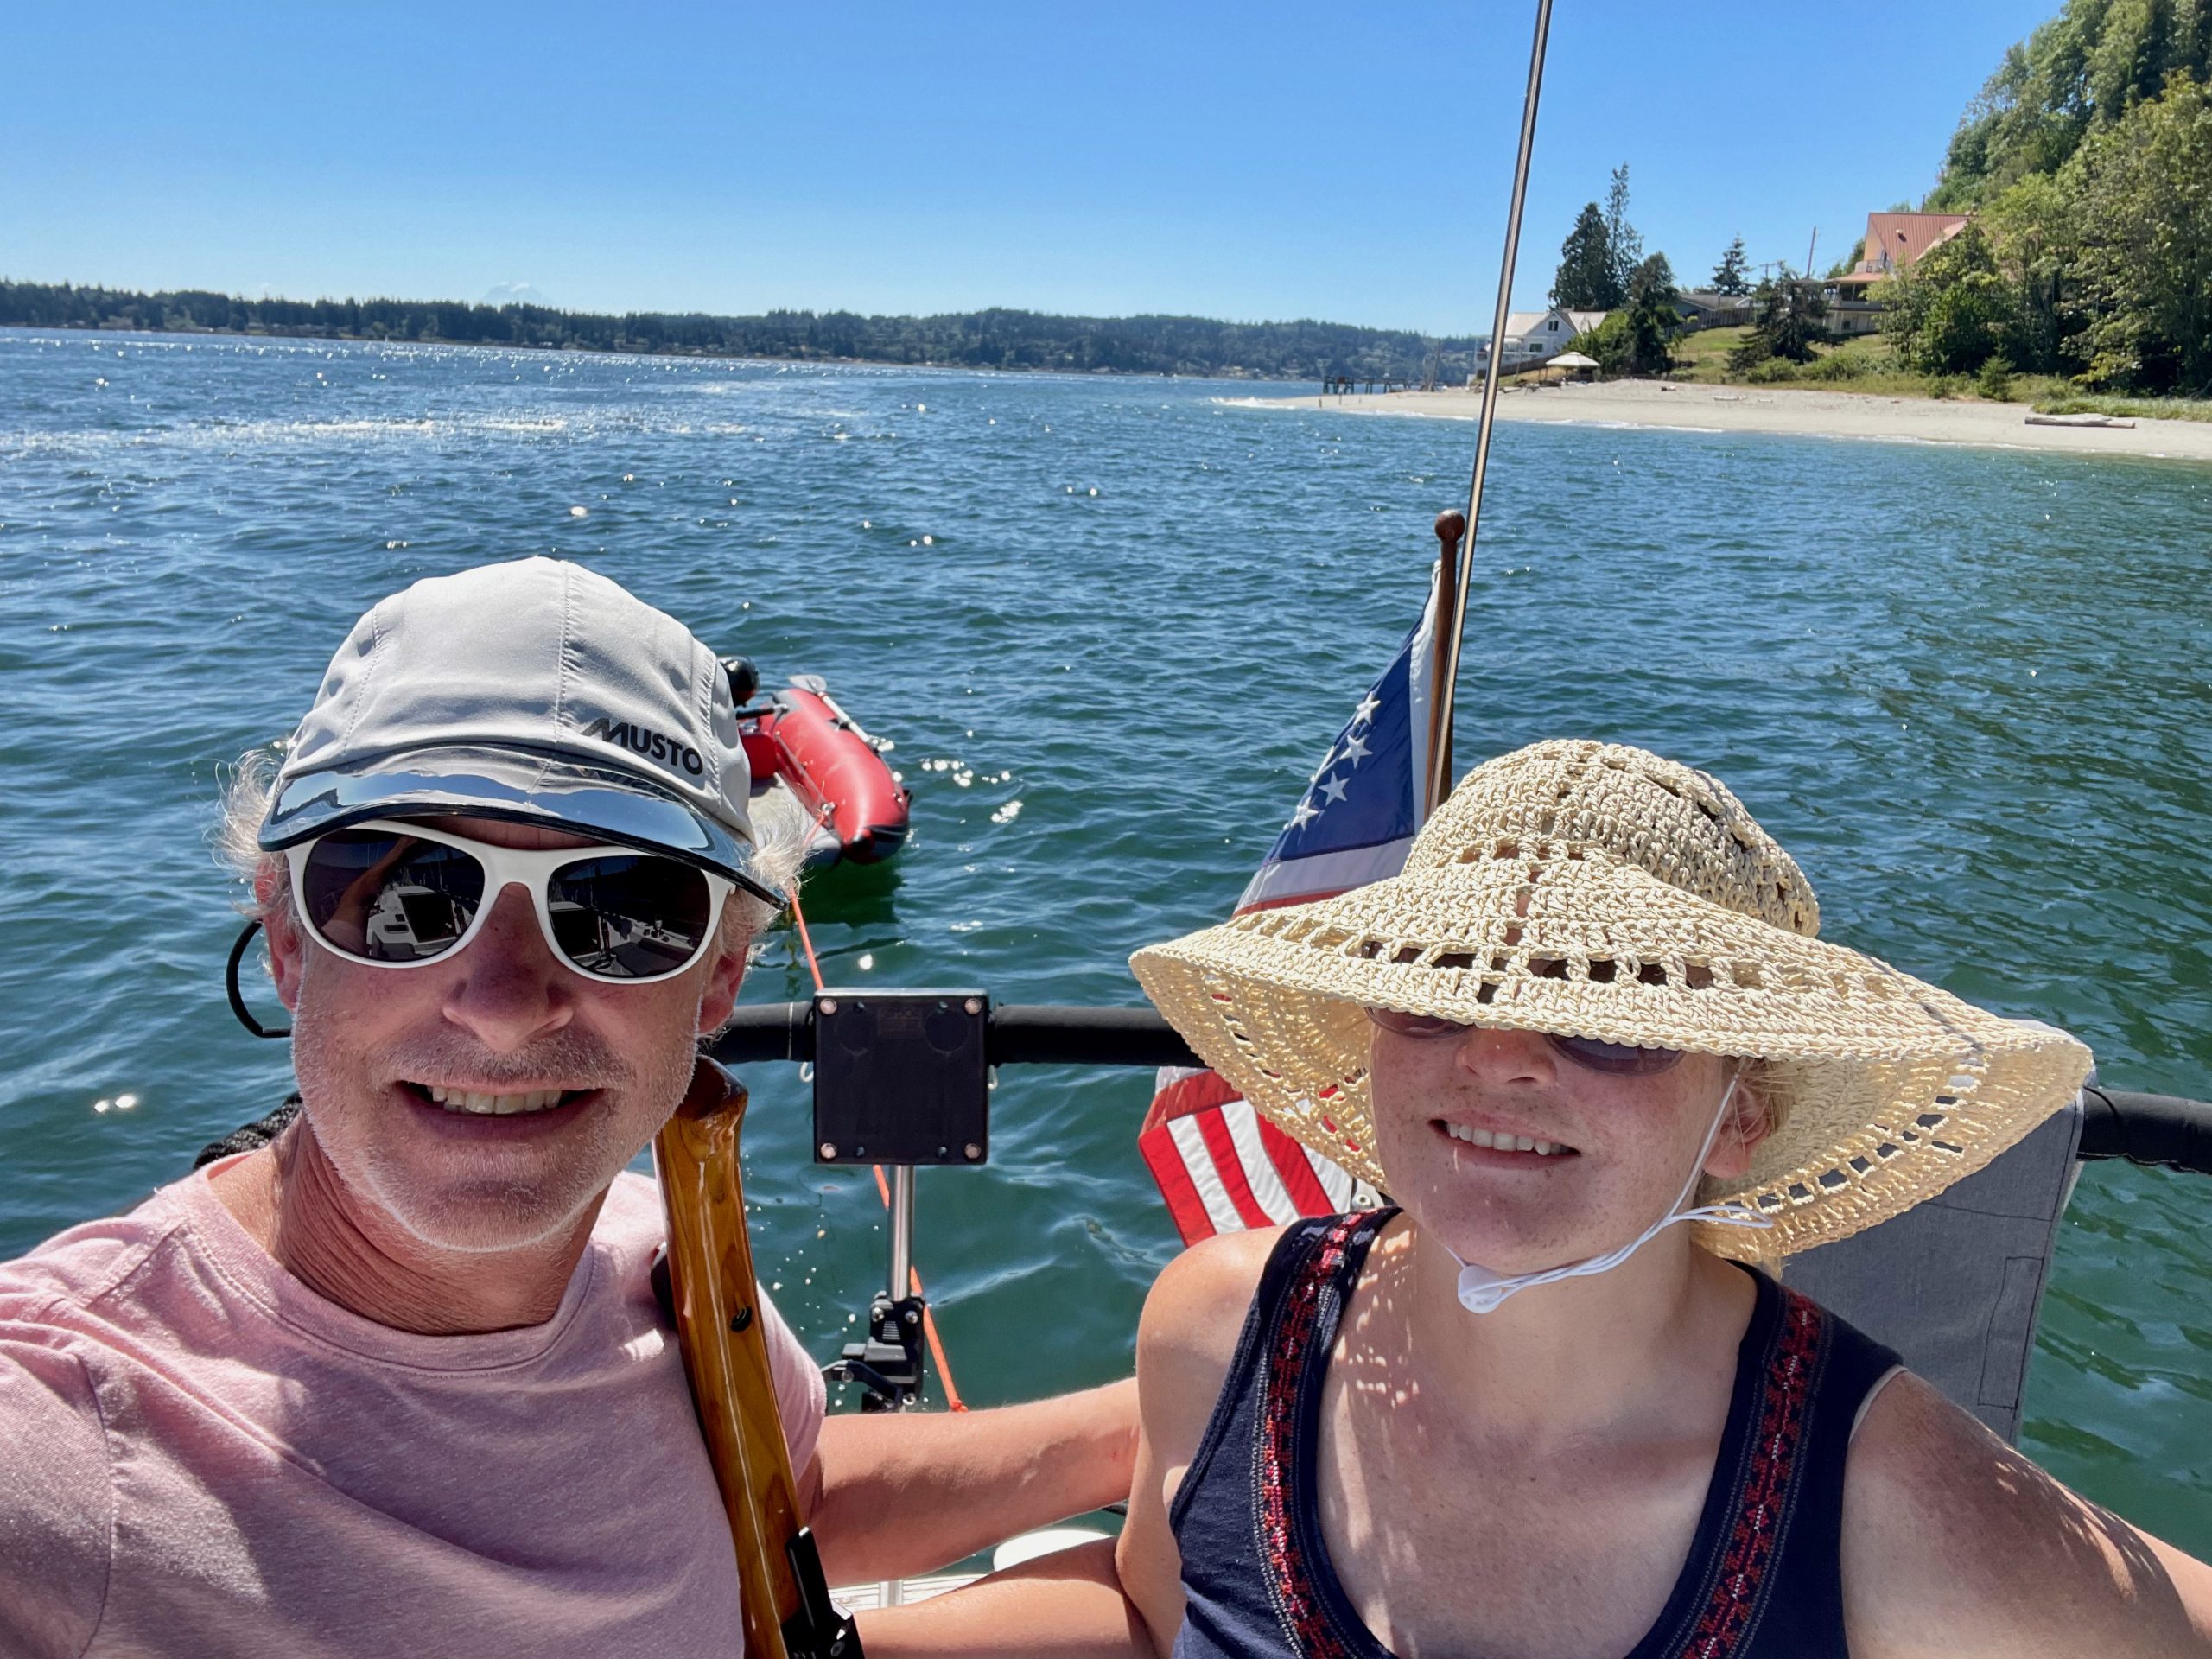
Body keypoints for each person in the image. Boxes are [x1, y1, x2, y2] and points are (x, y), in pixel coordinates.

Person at [0, 557, 1137, 1658]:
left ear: (720, 978)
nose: (504, 1008)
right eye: (413, 892)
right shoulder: (70, 1438)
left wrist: (1167, 1414)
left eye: (621, 910)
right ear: (289, 940)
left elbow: (782, 1512)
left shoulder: (659, 1256)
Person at [1109, 739, 2212, 1657]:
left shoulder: (1893, 1515)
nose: (1497, 1055)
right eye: (1432, 989)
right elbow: (1165, 1620)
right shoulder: (1224, 1332)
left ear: (1739, 1118)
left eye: (1610, 1012)